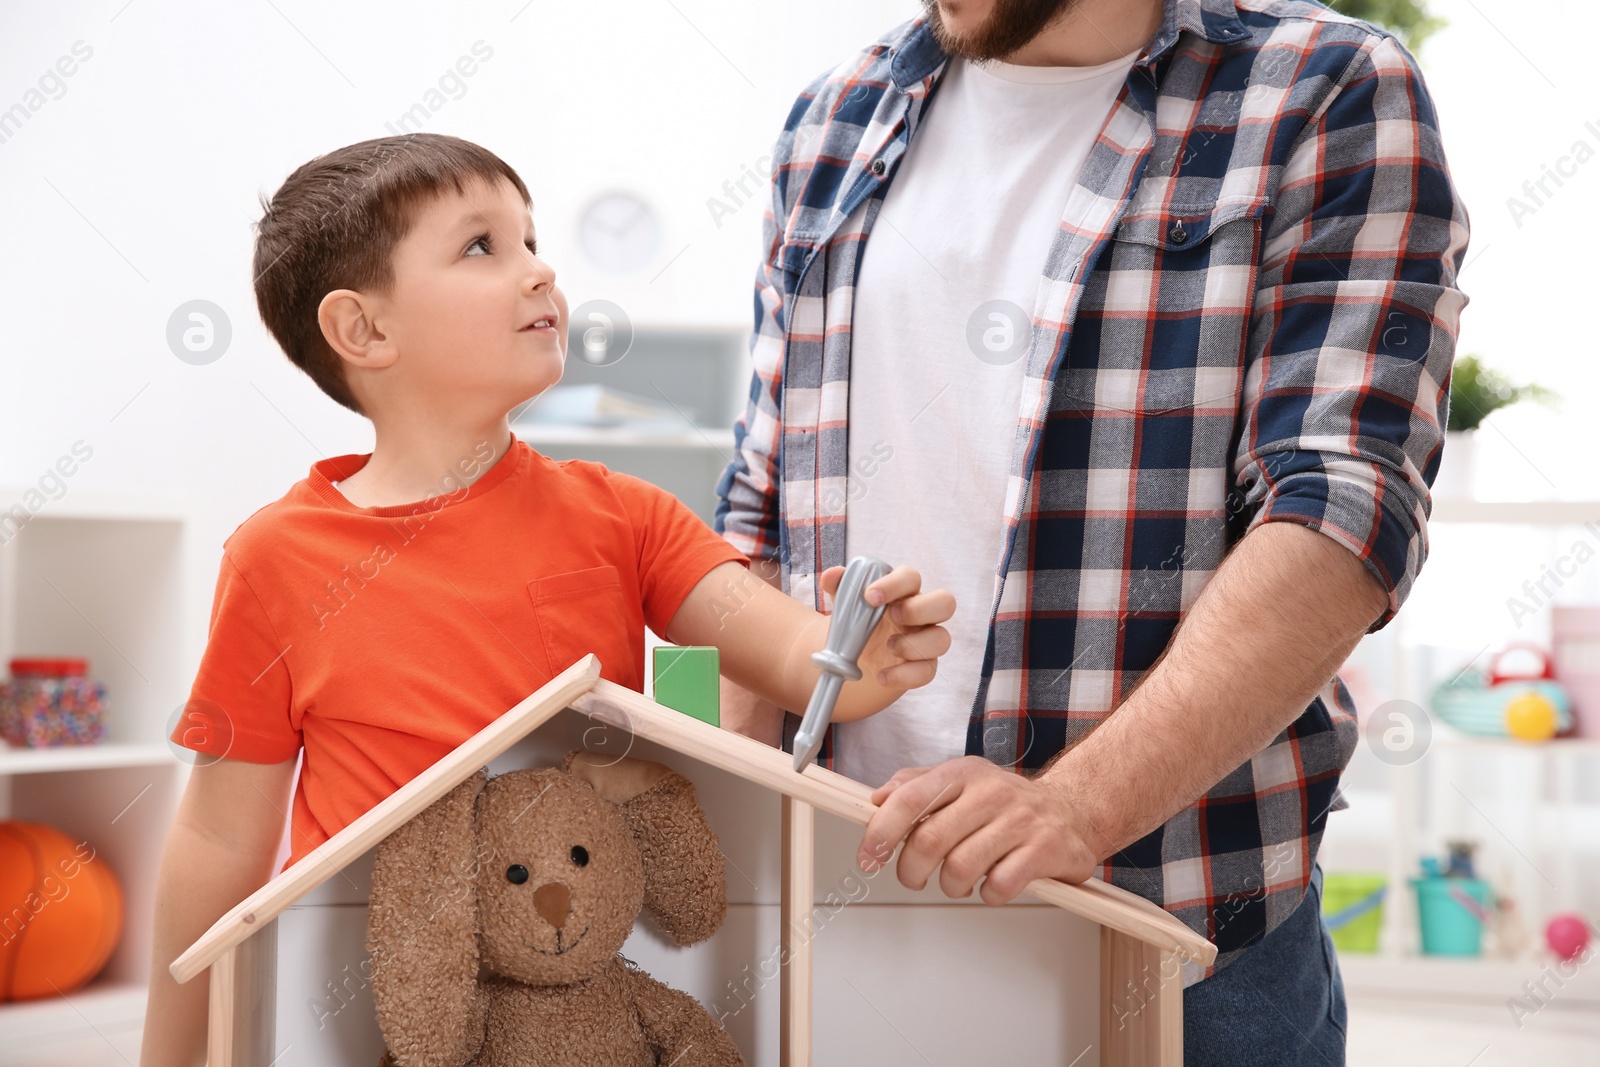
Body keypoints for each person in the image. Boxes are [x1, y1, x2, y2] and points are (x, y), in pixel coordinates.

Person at [715, 0, 1467, 1062]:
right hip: (841, 906)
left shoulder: (1324, 90)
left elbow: (1340, 510)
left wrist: (1074, 804)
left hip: (1176, 930)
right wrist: (732, 848)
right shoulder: (839, 115)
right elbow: (758, 500)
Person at [139, 133, 955, 1066]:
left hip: (578, 999)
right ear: (364, 331)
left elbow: (793, 652)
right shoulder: (275, 558)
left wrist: (868, 651)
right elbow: (216, 837)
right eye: (483, 246)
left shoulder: (624, 517)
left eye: (531, 240)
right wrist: (168, 1056)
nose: (540, 270)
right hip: (366, 1012)